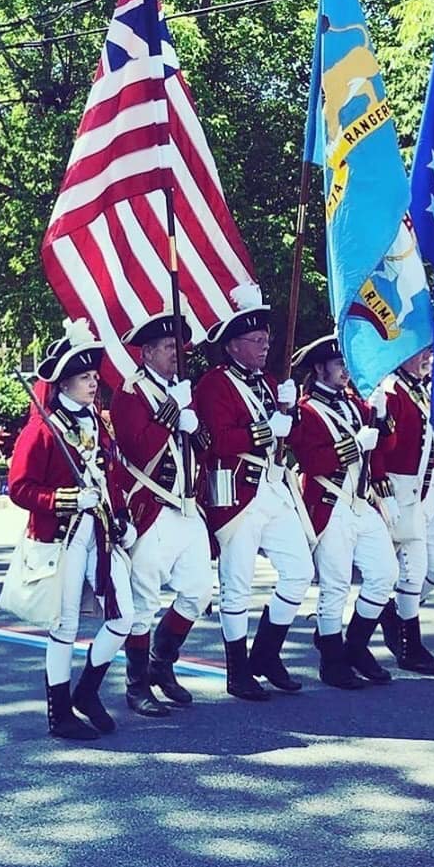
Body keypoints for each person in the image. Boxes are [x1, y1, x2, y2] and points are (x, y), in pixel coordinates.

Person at [8, 319, 137, 741]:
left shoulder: (100, 424)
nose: (93, 383)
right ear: (63, 384)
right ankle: (58, 713)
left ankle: (88, 691)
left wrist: (123, 516)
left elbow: (111, 478)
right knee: (63, 626)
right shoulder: (43, 429)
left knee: (124, 618)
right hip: (60, 538)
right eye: (84, 377)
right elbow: (20, 488)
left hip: (99, 533)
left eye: (94, 376)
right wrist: (65, 498)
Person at [193, 282, 314, 701]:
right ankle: (237, 668)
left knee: (300, 570)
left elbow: (290, 436)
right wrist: (267, 428)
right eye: (256, 340)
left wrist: (290, 412)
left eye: (267, 340)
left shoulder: (267, 382)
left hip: (273, 489)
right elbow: (219, 441)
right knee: (237, 583)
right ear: (233, 346)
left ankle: (266, 653)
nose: (265, 347)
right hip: (235, 491)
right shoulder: (214, 385)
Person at [110, 311, 213, 717]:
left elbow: (204, 447)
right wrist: (172, 413)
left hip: (187, 507)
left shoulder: (180, 392)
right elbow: (138, 448)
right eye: (169, 347)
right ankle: (136, 686)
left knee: (198, 591)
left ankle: (162, 664)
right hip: (150, 507)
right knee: (143, 601)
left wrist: (190, 420)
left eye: (179, 347)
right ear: (148, 351)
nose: (177, 353)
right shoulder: (130, 394)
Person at [289, 335, 397, 689]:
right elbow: (311, 461)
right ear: (320, 368)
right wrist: (352, 446)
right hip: (330, 503)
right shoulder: (306, 409)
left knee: (384, 574)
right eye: (340, 365)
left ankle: (355, 647)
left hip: (360, 502)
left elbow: (386, 447)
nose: (346, 371)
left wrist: (382, 415)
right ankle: (332, 660)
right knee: (335, 585)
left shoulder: (354, 403)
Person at [377, 346, 434, 676]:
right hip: (405, 490)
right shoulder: (391, 390)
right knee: (411, 570)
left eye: (430, 351)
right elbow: (383, 449)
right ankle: (408, 643)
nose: (428, 358)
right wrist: (383, 490)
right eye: (420, 352)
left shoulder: (427, 389)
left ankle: (392, 614)